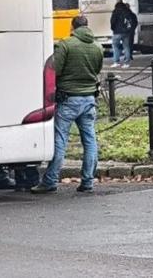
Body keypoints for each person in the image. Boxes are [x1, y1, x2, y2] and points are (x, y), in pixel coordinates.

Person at [31, 15, 104, 194]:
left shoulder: (66, 45)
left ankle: (50, 180)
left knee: (60, 140)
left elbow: (56, 69)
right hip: (89, 99)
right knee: (90, 141)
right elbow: (97, 69)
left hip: (68, 99)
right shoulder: (98, 47)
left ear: (73, 27)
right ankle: (88, 181)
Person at [110, 1, 131, 68]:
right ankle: (126, 63)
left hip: (117, 32)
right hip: (126, 32)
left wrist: (113, 29)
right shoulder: (127, 11)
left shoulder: (115, 11)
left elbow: (112, 22)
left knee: (115, 47)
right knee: (126, 47)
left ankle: (116, 62)